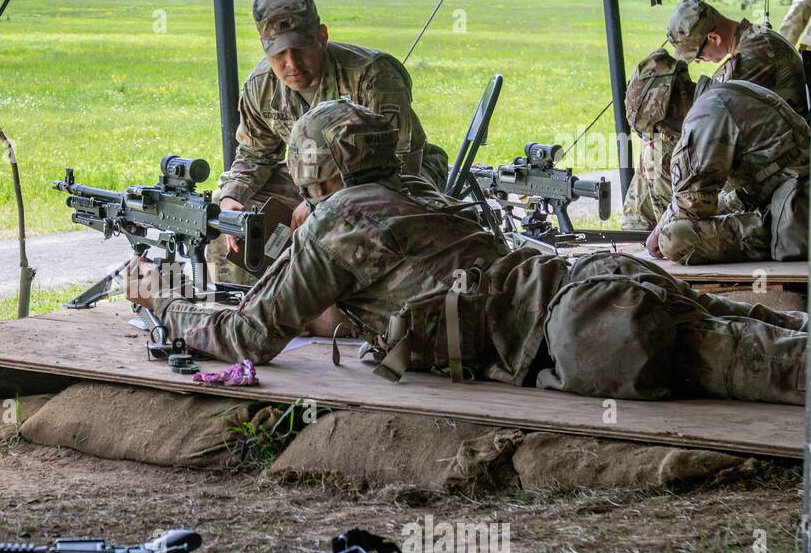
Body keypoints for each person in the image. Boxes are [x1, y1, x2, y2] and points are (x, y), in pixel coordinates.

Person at [126, 100, 806, 405]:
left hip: (586, 329)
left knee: (783, 374)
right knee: (786, 337)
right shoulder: (421, 190)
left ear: (316, 172)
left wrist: (166, 307)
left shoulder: (336, 219)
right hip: (600, 282)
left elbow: (249, 337)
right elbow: (385, 293)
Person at [209, 0, 449, 283]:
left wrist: (320, 203)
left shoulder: (372, 76)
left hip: (394, 179)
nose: (291, 63)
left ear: (322, 37)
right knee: (238, 237)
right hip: (310, 177)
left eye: (301, 48)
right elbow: (254, 155)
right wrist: (232, 198)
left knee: (354, 234)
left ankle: (344, 308)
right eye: (279, 54)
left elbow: (401, 164)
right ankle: (261, 310)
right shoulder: (261, 86)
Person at [647, 79, 809, 265]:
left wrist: (659, 231)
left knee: (672, 239)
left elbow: (693, 202)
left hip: (793, 216)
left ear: (672, 109)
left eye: (660, 128)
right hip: (786, 197)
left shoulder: (706, 112)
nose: (666, 136)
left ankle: (771, 242)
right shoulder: (722, 94)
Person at [666, 0, 808, 117]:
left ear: (714, 38)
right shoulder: (755, 36)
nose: (697, 61)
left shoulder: (753, 54)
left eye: (697, 55)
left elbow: (709, 111)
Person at [621, 49, 694, 230]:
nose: (659, 133)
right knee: (654, 151)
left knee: (656, 154)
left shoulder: (716, 111)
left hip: (737, 214)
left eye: (660, 125)